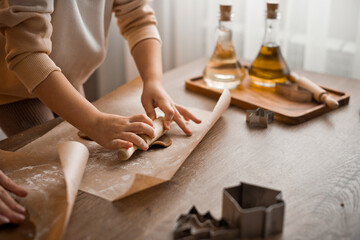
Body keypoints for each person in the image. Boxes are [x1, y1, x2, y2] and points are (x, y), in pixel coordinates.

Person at [0, 0, 201, 225]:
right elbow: (27, 54)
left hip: (70, 79)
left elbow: (138, 17)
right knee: (53, 184)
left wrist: (153, 81)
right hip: (16, 90)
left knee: (83, 169)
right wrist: (94, 121)